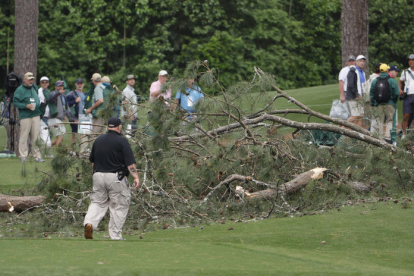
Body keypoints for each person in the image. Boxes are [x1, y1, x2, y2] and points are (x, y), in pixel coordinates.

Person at [84, 117, 140, 240]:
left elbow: (92, 162)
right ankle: (115, 235)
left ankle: (89, 223)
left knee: (97, 203)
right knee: (119, 205)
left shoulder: (98, 140)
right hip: (115, 177)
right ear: (119, 126)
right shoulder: (121, 141)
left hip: (98, 175)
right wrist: (136, 177)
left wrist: (95, 175)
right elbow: (130, 163)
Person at [12, 72, 44, 162]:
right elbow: (15, 103)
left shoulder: (34, 87)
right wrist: (26, 106)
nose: (31, 81)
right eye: (29, 79)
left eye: (32, 79)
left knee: (36, 136)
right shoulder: (19, 90)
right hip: (25, 116)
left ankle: (37, 156)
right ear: (25, 80)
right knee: (24, 136)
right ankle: (23, 155)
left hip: (36, 114)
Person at [370, 64, 399, 145]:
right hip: (390, 104)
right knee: (389, 120)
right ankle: (388, 139)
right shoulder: (392, 80)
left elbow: (371, 93)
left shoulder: (375, 81)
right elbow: (396, 93)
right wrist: (393, 100)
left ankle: (380, 139)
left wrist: (373, 103)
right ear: (387, 70)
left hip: (379, 104)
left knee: (380, 121)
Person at [48, 81, 77, 146]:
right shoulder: (53, 93)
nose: (61, 87)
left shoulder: (63, 96)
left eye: (62, 86)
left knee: (61, 138)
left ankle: (47, 146)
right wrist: (58, 93)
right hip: (53, 118)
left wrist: (73, 118)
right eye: (59, 86)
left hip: (59, 119)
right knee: (60, 137)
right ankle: (60, 154)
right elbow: (50, 98)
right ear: (55, 87)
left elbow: (67, 109)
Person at [346, 55, 367, 127]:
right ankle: (341, 127)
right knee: (355, 116)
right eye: (360, 61)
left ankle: (358, 134)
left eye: (363, 61)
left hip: (360, 97)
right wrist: (357, 94)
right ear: (356, 62)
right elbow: (350, 85)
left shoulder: (363, 73)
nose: (362, 63)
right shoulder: (353, 71)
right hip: (353, 97)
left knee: (360, 116)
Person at [399, 54, 414, 138]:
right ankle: (403, 135)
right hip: (408, 96)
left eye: (413, 60)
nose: (411, 62)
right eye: (410, 60)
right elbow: (400, 82)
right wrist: (400, 89)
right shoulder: (405, 72)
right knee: (406, 116)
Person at [38, 76, 52, 147]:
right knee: (45, 132)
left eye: (46, 82)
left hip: (48, 115)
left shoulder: (49, 91)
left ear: (48, 83)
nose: (44, 84)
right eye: (43, 82)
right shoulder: (38, 91)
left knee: (49, 132)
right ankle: (46, 148)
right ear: (40, 83)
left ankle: (47, 147)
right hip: (42, 115)